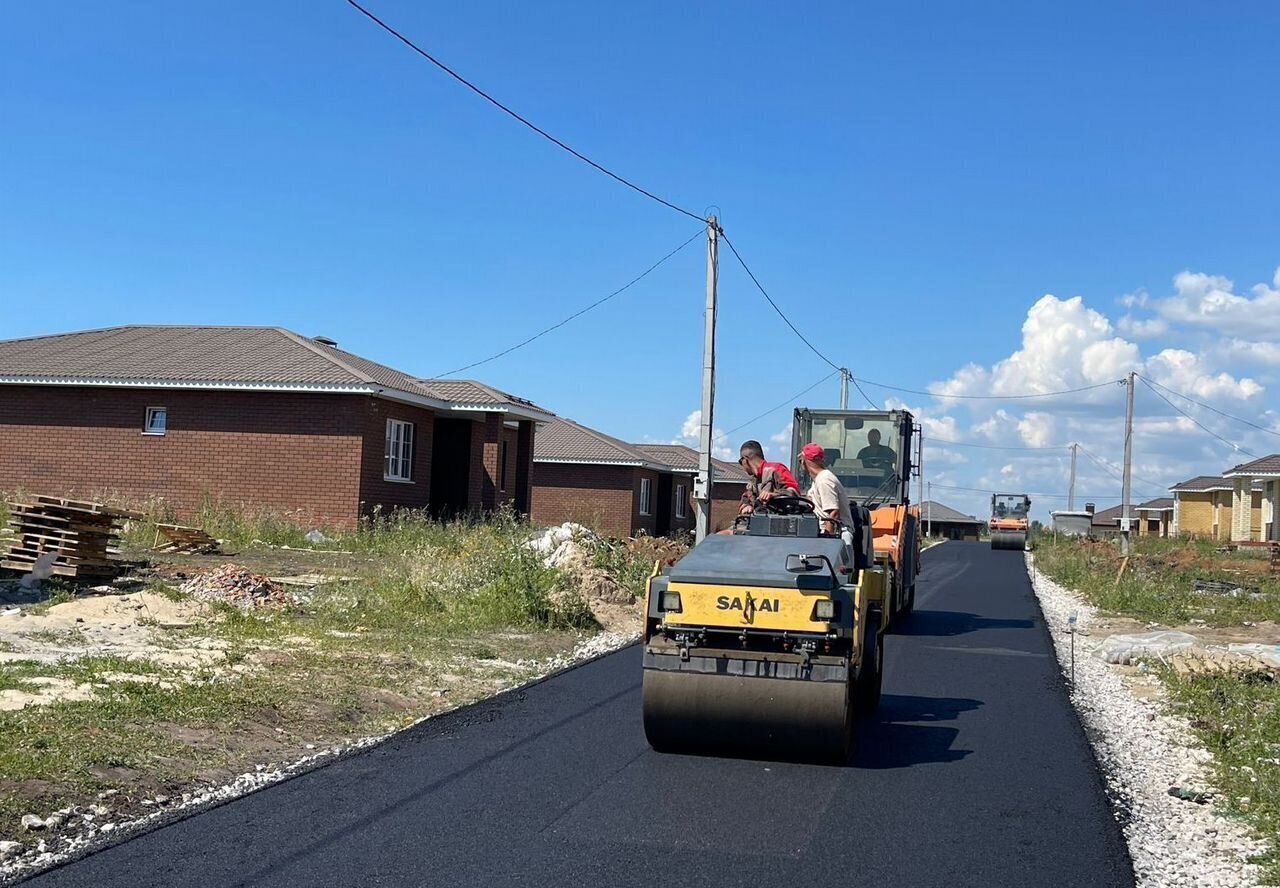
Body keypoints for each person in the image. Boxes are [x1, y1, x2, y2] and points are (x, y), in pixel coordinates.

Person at [801, 442, 854, 534]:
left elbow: (833, 513)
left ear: (804, 461)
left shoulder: (824, 480)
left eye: (800, 460)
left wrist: (827, 540)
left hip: (837, 534)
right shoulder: (818, 480)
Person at [737, 439, 800, 514]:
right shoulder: (754, 481)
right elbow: (747, 497)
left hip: (781, 519)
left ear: (745, 460)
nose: (742, 466)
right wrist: (747, 505)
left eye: (740, 462)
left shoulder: (776, 469)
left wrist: (773, 495)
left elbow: (794, 493)